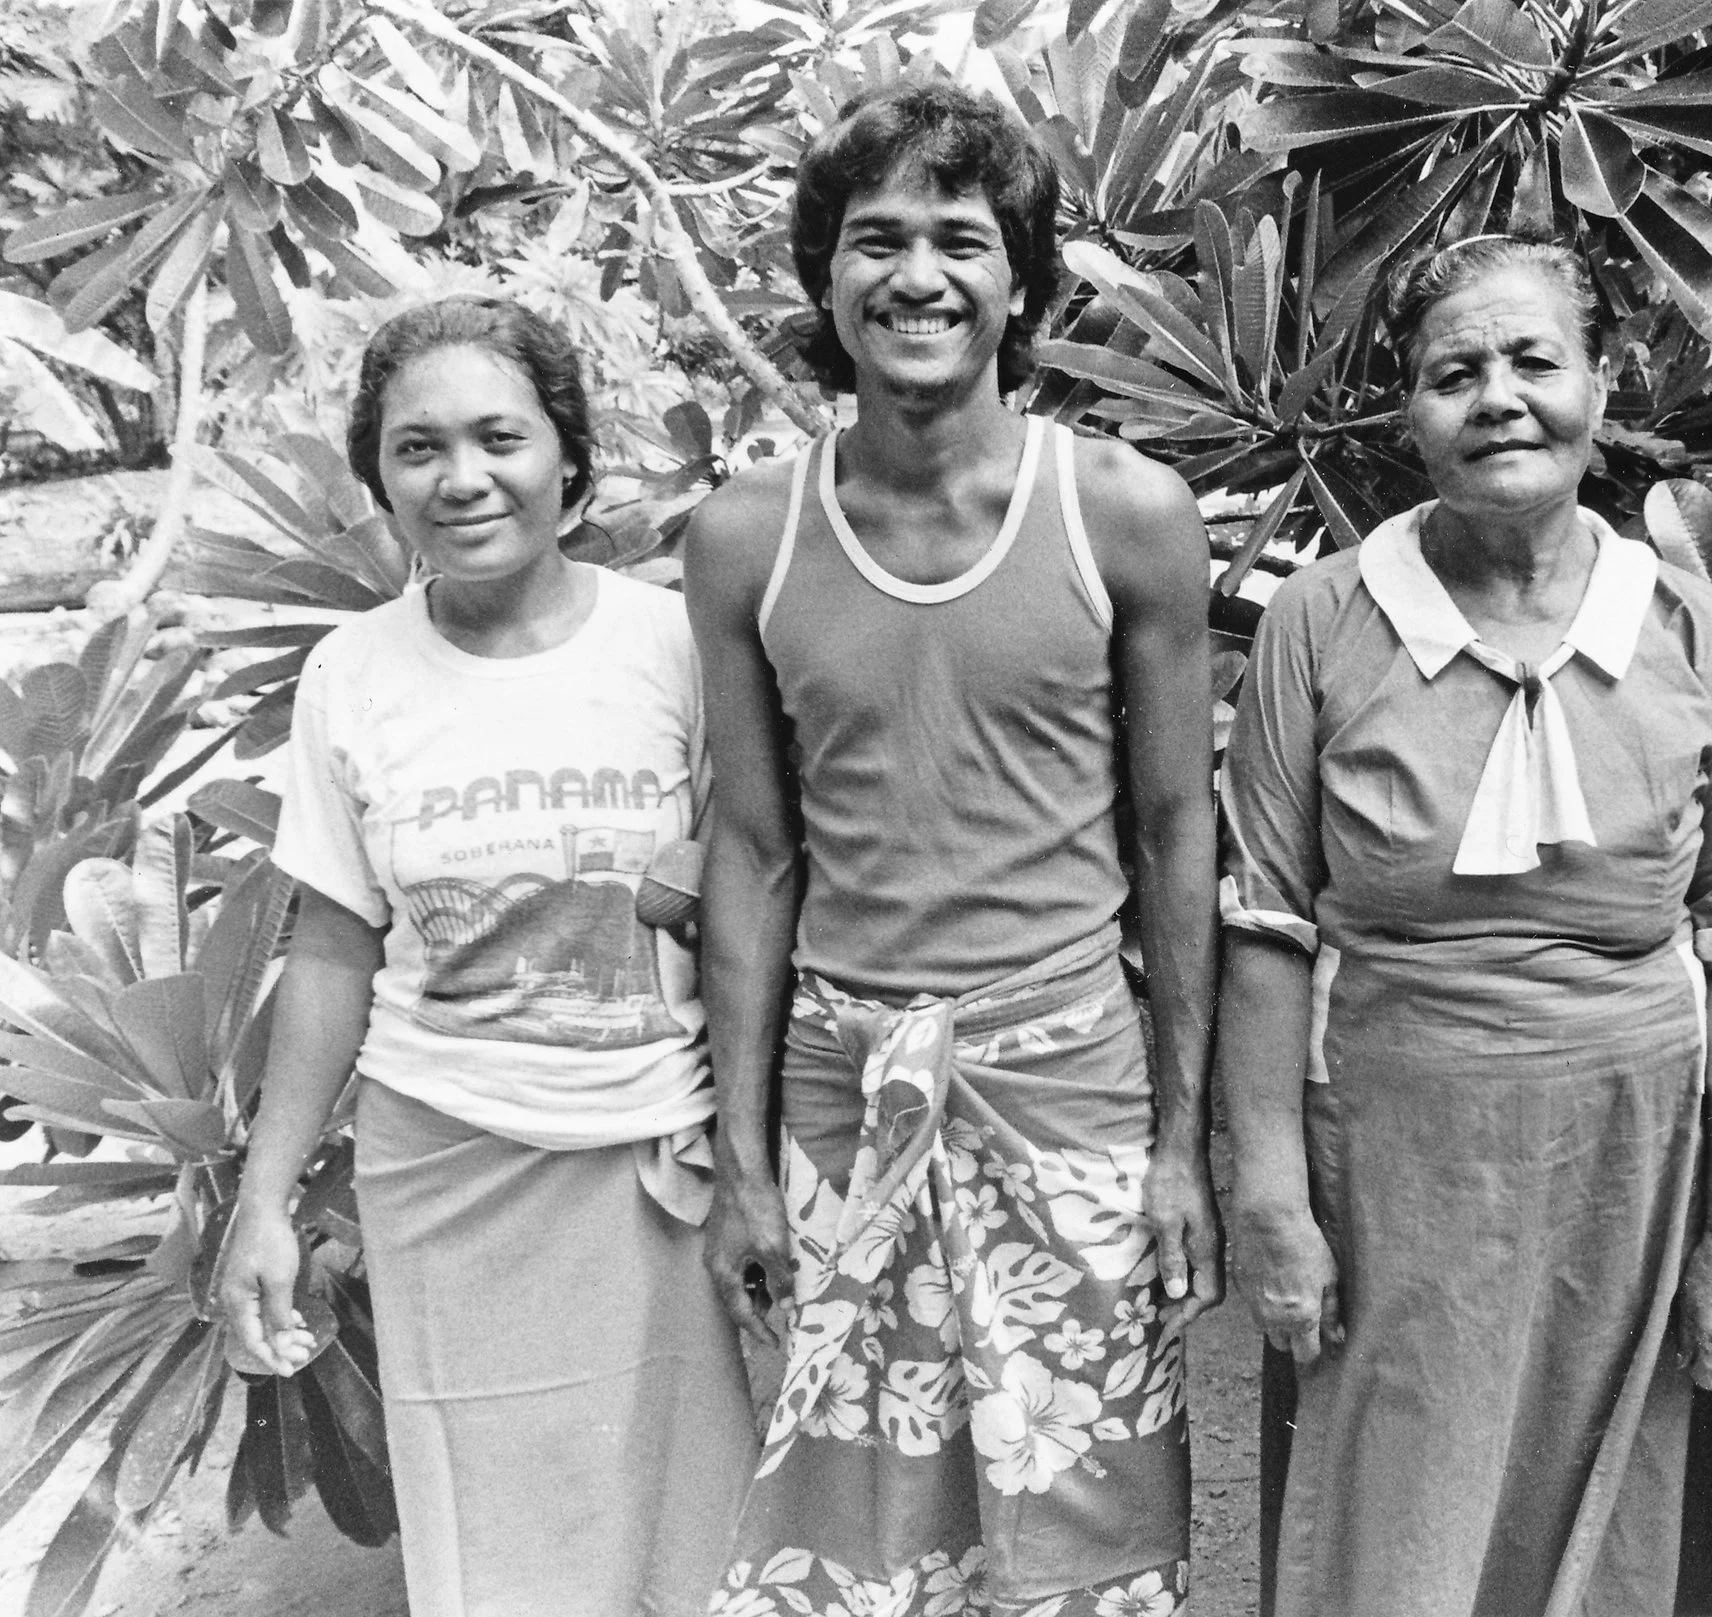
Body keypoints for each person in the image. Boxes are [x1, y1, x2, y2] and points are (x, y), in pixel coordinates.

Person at [685, 83, 1221, 1615]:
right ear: (824, 279)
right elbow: (753, 850)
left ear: (1021, 282)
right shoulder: (744, 537)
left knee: (1092, 1524)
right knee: (855, 1537)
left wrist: (1181, 1150)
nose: (916, 276)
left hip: (1068, 1086)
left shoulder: (1126, 514)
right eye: (875, 241)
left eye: (960, 241)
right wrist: (740, 1167)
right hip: (842, 1097)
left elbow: (1181, 832)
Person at [1216, 232, 1712, 1617]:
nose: (1498, 399)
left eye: (1535, 360)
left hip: (1629, 1162)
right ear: (1406, 414)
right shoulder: (1320, 619)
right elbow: (1264, 923)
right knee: (1392, 1525)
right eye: (1451, 373)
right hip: (1395, 1167)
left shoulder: (1698, 631)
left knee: (1610, 1521)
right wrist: (1274, 1204)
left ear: (1603, 385)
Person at [215, 296, 757, 1616]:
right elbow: (336, 943)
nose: (462, 478)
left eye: (498, 437)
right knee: (495, 1552)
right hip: (445, 1170)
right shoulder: (353, 674)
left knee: (701, 1541)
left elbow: (754, 901)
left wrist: (753, 1158)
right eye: (417, 449)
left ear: (569, 459)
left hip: (652, 1166)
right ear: (381, 479)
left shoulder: (677, 646)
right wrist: (269, 1195)